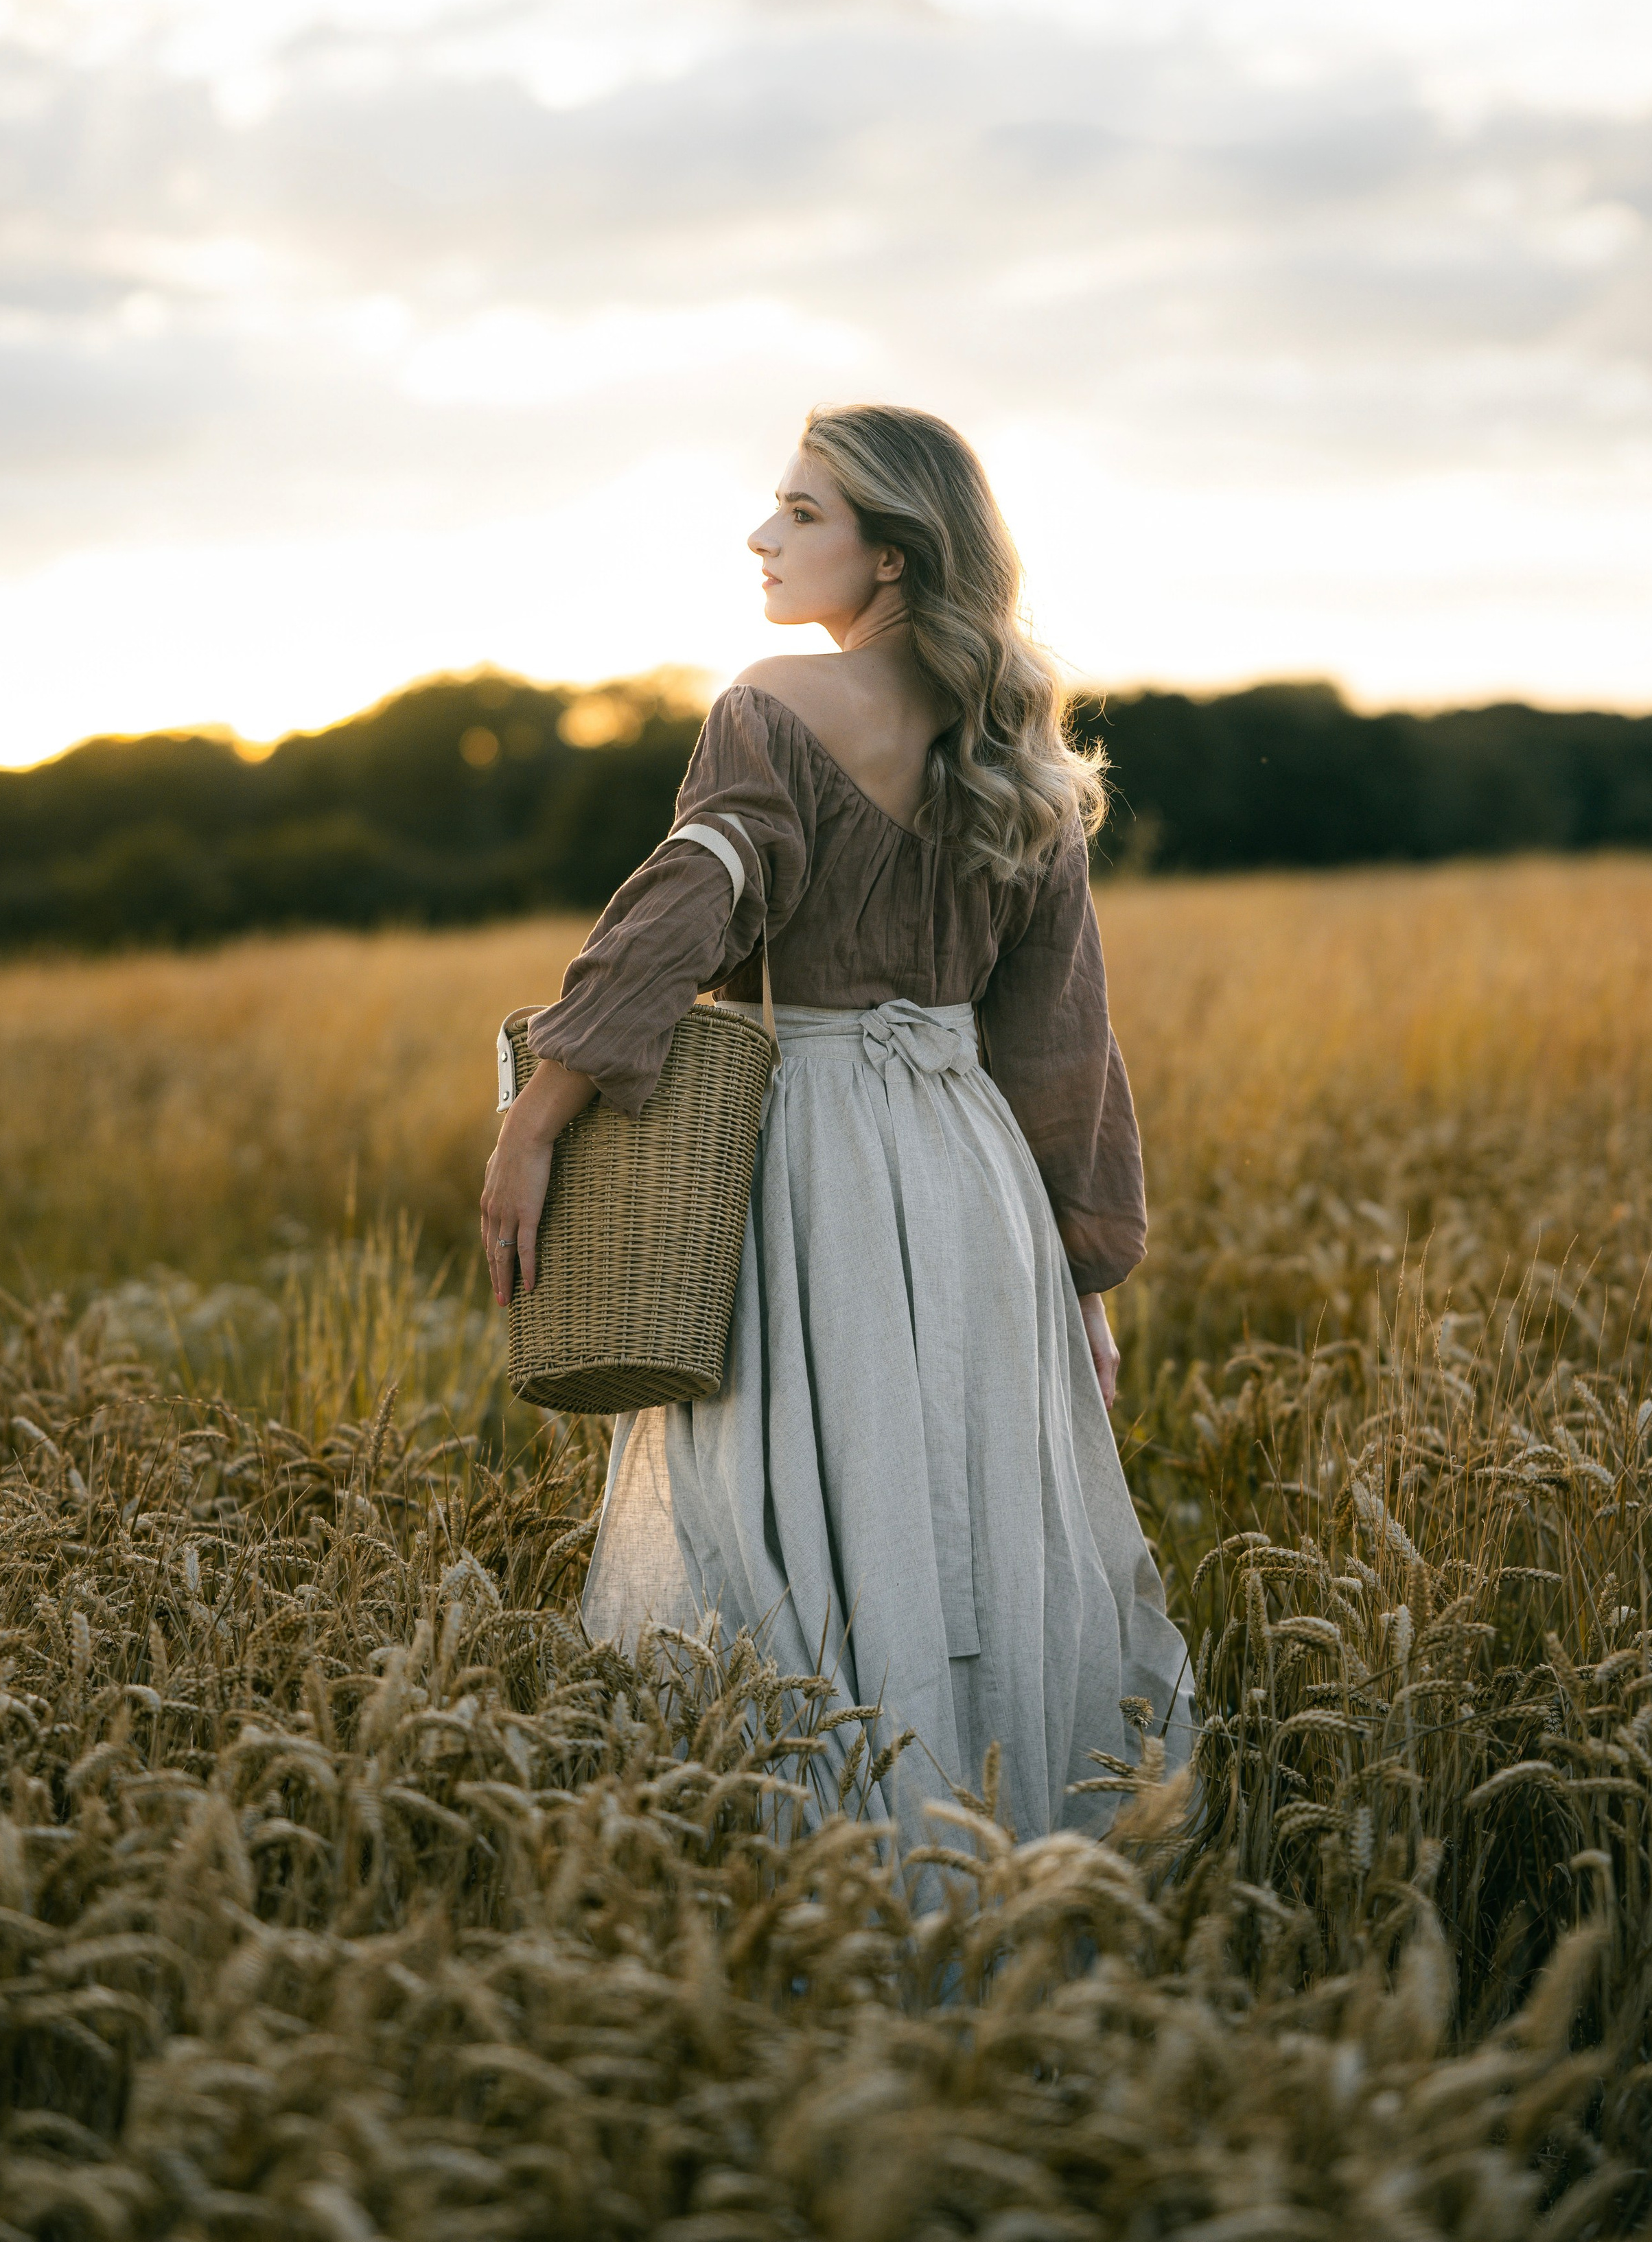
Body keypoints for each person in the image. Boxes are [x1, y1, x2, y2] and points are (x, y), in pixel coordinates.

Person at [480, 404, 1195, 1845]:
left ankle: (824, 1877)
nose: (763, 537)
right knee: (964, 1524)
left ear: (890, 556)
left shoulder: (772, 703)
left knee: (775, 1512)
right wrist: (1078, 1274)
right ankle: (991, 1870)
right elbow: (1059, 1039)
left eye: (801, 513)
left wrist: (538, 1116)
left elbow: (690, 899)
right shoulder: (1018, 745)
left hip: (805, 1162)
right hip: (971, 1179)